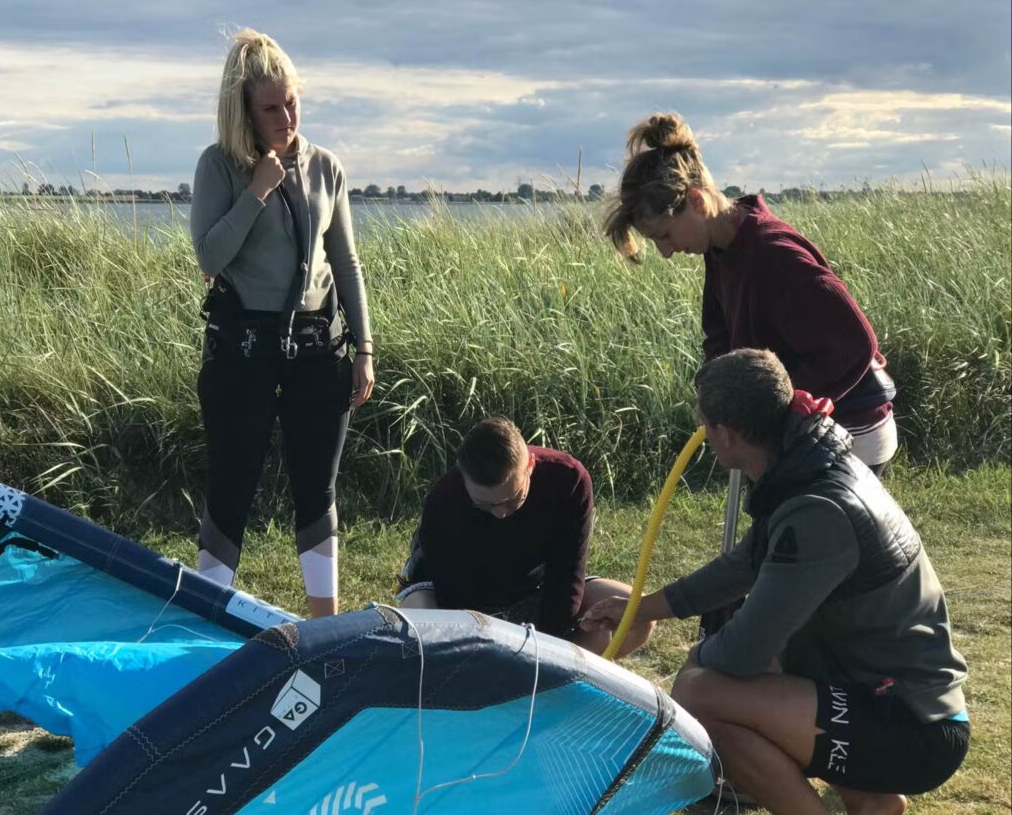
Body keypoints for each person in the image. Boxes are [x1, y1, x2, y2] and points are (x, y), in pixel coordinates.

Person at [581, 349, 968, 815]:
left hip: (914, 726)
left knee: (700, 694)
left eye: (704, 423)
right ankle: (872, 800)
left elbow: (745, 651)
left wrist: (695, 661)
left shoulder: (818, 511)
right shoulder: (805, 465)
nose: (703, 436)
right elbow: (743, 565)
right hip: (884, 697)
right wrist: (644, 608)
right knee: (736, 678)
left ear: (725, 432)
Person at [189, 29, 375, 617]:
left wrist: (365, 348)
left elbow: (344, 261)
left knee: (317, 490)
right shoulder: (218, 166)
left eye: (292, 101)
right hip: (243, 348)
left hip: (319, 348)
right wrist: (257, 192)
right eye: (270, 107)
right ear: (242, 109)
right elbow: (209, 258)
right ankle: (206, 630)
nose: (285, 116)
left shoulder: (326, 167)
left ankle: (325, 632)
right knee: (231, 488)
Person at [603, 113, 898, 475]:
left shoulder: (773, 253)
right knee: (778, 529)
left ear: (696, 201)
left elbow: (855, 343)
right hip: (795, 431)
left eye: (665, 235)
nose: (666, 252)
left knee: (807, 531)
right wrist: (717, 395)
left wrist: (771, 408)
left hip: (850, 425)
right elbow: (721, 339)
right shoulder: (723, 250)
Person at [397, 417, 654, 656]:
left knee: (639, 614)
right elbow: (452, 600)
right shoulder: (443, 502)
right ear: (463, 478)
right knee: (420, 619)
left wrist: (548, 648)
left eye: (512, 500)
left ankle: (557, 687)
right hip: (460, 596)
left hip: (535, 588)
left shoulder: (569, 479)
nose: (500, 514)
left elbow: (567, 576)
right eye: (484, 505)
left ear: (530, 465)